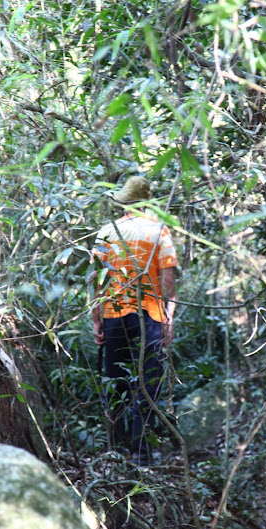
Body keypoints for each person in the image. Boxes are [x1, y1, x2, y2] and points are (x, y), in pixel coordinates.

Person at [91, 176, 178, 466]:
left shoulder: (106, 232)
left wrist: (96, 320)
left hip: (114, 315)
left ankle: (114, 454)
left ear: (123, 202)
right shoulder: (158, 232)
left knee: (114, 383)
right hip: (150, 317)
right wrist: (169, 318)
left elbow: (98, 282)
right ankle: (142, 456)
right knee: (147, 385)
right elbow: (167, 280)